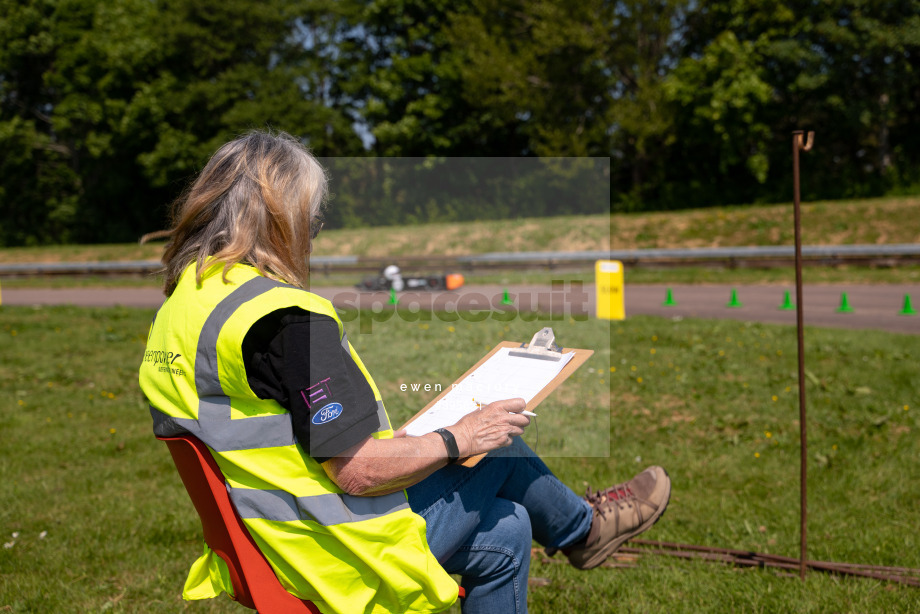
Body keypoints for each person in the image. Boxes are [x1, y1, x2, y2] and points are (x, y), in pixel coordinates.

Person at [139, 130, 671, 614]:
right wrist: (457, 437)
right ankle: (585, 529)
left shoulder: (184, 306)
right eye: (313, 221)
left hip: (265, 536)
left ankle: (582, 528)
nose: (312, 237)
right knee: (498, 444)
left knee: (508, 528)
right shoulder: (284, 320)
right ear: (286, 219)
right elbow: (356, 471)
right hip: (333, 550)